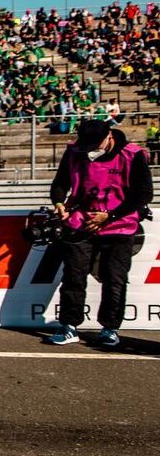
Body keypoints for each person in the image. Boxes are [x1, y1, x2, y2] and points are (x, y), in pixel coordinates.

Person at [44, 119, 152, 347]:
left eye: (95, 144)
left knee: (115, 279)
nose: (91, 150)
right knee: (73, 276)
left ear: (109, 136)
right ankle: (69, 326)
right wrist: (59, 202)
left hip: (119, 225)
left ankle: (110, 328)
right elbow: (60, 182)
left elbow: (143, 194)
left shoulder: (133, 155)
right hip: (80, 222)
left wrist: (109, 216)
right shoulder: (74, 152)